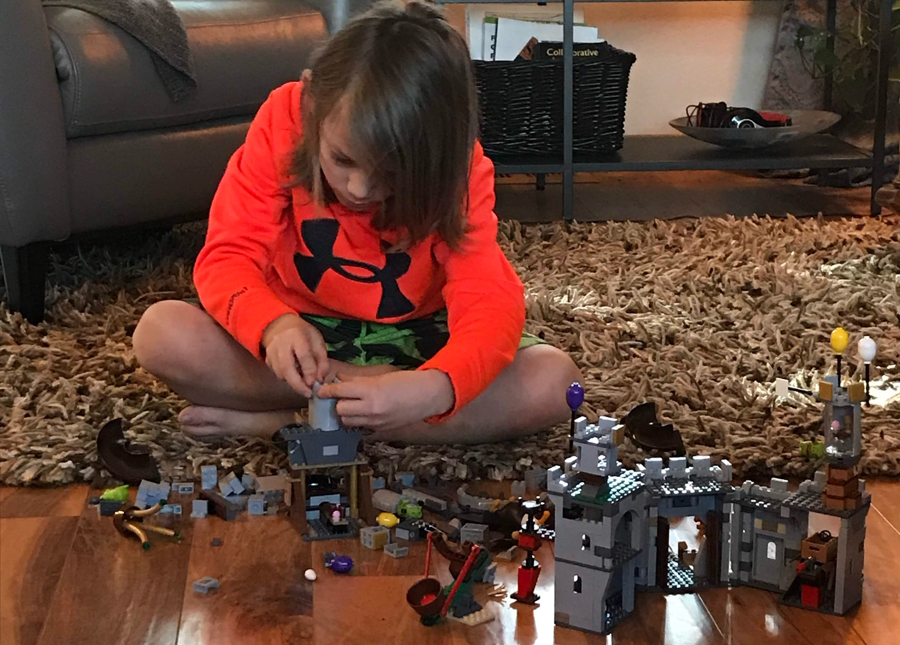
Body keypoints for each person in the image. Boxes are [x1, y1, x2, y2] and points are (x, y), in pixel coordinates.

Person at [133, 0, 582, 445]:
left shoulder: (460, 169)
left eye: (391, 173)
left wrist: (437, 386)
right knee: (162, 333)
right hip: (302, 332)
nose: (360, 189)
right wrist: (274, 327)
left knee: (556, 382)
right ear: (312, 103)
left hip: (424, 337)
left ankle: (290, 423)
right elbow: (228, 256)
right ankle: (366, 410)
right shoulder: (284, 120)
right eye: (342, 159)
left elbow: (488, 298)